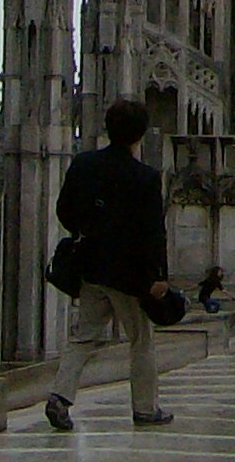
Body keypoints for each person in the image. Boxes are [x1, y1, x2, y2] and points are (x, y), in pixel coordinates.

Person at [45, 100, 174, 432]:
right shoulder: (145, 178)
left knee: (84, 336)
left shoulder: (84, 164)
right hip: (129, 276)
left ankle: (60, 396)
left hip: (91, 267)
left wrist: (87, 231)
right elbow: (153, 232)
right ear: (139, 135)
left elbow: (64, 210)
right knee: (141, 339)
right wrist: (158, 276)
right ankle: (146, 408)